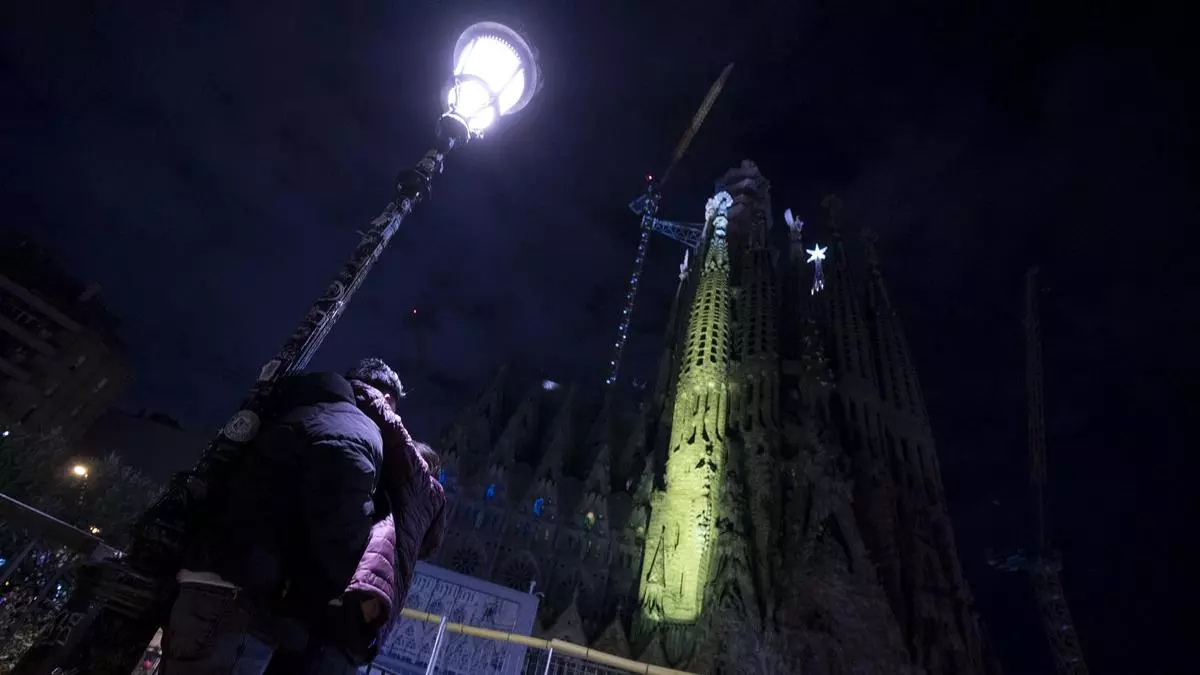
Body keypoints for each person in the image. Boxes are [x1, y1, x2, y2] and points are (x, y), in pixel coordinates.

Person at [161, 358, 406, 675]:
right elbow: (339, 531)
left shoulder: (296, 406)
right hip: (246, 598)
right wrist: (327, 604)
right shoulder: (357, 429)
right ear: (385, 400)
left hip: (201, 577)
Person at [265, 388, 447, 674]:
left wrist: (369, 394)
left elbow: (394, 432)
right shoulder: (417, 513)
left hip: (348, 611)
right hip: (363, 630)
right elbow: (431, 545)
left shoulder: (419, 481)